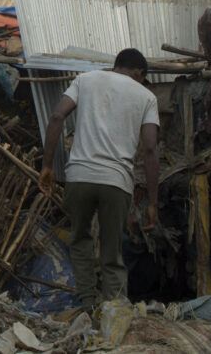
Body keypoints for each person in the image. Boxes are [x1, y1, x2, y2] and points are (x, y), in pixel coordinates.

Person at [38, 49, 160, 310]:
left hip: (79, 176)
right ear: (139, 73)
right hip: (117, 182)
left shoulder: (85, 79)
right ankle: (114, 309)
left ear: (117, 65)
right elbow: (150, 148)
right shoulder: (146, 96)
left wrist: (48, 165)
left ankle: (87, 304)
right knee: (112, 249)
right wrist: (152, 201)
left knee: (80, 239)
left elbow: (57, 116)